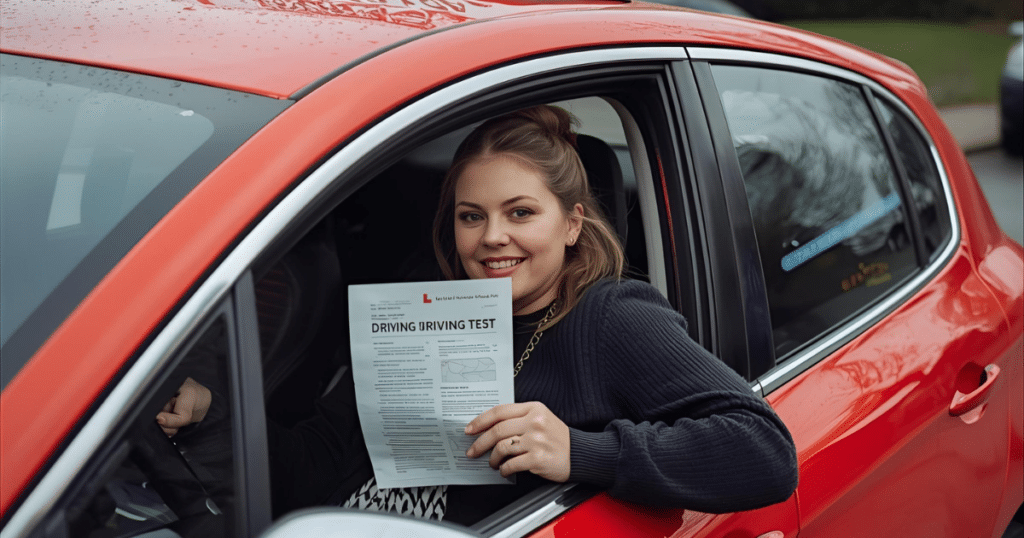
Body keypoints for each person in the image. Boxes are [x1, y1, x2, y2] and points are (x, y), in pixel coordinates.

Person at [158, 104, 798, 525]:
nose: (493, 237)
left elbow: (765, 453)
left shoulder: (611, 318)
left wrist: (580, 451)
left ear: (573, 222)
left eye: (521, 213)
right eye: (473, 216)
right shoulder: (425, 314)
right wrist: (215, 417)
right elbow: (316, 463)